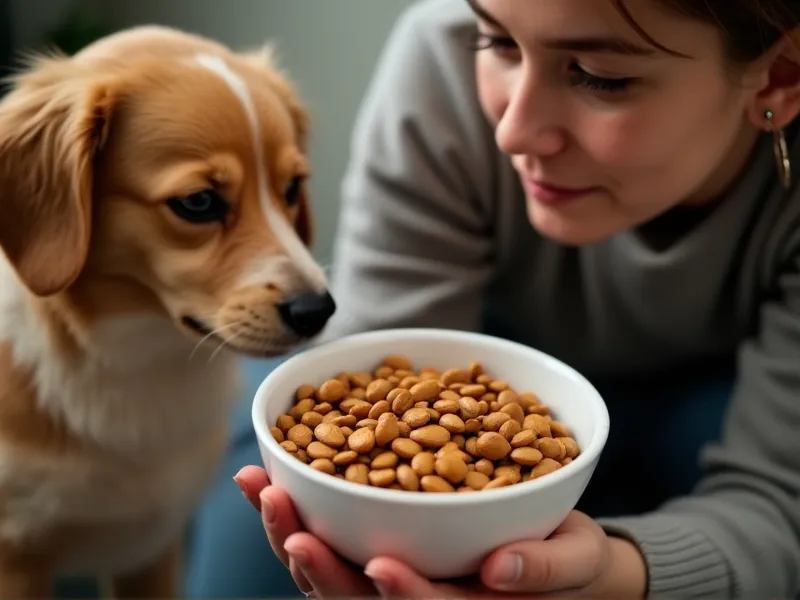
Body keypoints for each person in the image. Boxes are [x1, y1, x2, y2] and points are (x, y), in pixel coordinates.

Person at [228, 0, 800, 597]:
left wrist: (605, 581)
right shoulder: (441, 57)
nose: (512, 132)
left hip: (726, 409)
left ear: (780, 76)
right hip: (494, 368)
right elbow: (380, 373)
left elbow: (782, 506)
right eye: (497, 43)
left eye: (601, 76)